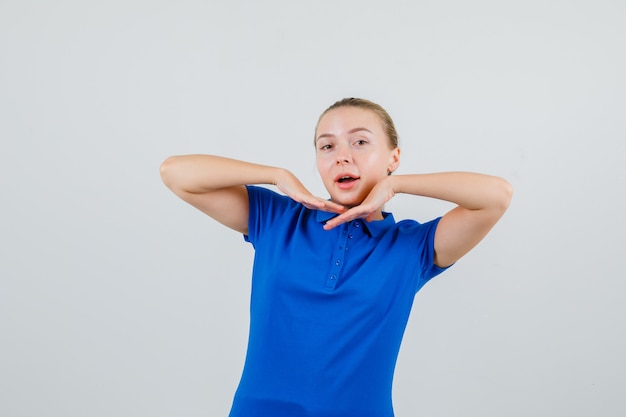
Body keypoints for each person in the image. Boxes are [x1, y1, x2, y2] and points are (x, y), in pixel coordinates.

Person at [160, 97, 513, 417]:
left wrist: (397, 184)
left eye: (360, 141)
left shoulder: (413, 247)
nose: (342, 155)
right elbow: (175, 173)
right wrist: (276, 176)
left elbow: (496, 195)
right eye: (327, 146)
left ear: (394, 157)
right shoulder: (277, 219)